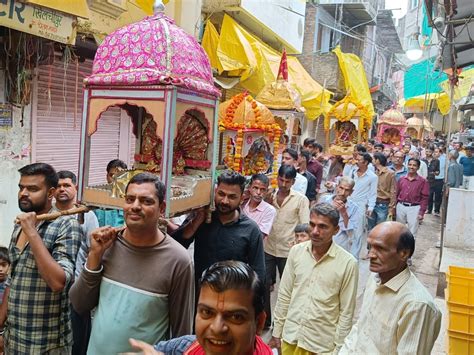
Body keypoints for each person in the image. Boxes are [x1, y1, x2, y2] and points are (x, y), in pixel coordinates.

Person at [69, 173, 194, 354]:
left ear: (162, 208)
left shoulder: (178, 261)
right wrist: (94, 256)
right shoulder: (106, 245)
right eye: (130, 199)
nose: (135, 206)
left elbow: (182, 333)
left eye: (146, 201)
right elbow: (79, 303)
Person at [0, 163, 82, 353]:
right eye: (21, 187)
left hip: (46, 344)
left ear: (51, 193)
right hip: (15, 338)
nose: (23, 193)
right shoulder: (21, 224)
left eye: (33, 189)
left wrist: (32, 232)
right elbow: (14, 279)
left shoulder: (66, 225)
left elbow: (58, 282)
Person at [128, 261, 273, 355]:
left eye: (236, 317)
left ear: (259, 322)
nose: (217, 328)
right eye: (207, 312)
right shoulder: (183, 348)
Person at [269, 203, 358, 354]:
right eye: (312, 225)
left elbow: (346, 312)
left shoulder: (348, 263)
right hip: (291, 337)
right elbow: (285, 294)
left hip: (321, 345)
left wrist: (338, 348)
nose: (315, 231)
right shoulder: (296, 252)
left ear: (336, 230)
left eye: (323, 227)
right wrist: (277, 331)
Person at [340, 222, 442, 354]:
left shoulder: (417, 305)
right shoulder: (375, 279)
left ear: (404, 253)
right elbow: (360, 329)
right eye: (370, 247)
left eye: (380, 249)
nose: (371, 255)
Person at [173, 170, 265, 288]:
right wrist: (197, 220)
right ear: (215, 192)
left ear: (242, 198)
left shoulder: (251, 230)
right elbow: (177, 245)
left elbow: (259, 272)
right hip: (201, 294)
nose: (225, 201)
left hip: (233, 297)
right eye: (221, 194)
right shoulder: (202, 219)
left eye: (232, 197)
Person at [55, 170, 99, 355]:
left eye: (66, 185)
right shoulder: (48, 214)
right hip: (54, 284)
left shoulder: (86, 215)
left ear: (75, 187)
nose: (62, 189)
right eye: (58, 186)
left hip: (76, 286)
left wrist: (85, 284)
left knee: (77, 336)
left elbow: (93, 250)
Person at [264, 165, 309, 328]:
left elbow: (305, 225)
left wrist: (299, 244)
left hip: (288, 250)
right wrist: (266, 203)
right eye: (281, 180)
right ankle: (266, 321)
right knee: (264, 285)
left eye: (287, 181)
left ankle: (283, 323)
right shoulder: (269, 196)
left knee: (287, 288)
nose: (283, 184)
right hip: (268, 247)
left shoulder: (300, 200)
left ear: (293, 182)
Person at [347, 152, 378, 260]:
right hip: (348, 203)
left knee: (358, 233)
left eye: (359, 160)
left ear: (365, 162)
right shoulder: (352, 172)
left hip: (360, 206)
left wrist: (370, 208)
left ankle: (354, 259)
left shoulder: (372, 177)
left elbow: (373, 194)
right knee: (345, 230)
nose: (356, 161)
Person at [319, 177, 359, 258]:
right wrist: (330, 208)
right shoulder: (324, 200)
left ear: (351, 192)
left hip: (340, 245)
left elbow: (351, 233)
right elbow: (316, 219)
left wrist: (344, 213)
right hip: (321, 241)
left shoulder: (354, 208)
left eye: (347, 190)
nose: (343, 192)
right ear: (337, 186)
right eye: (341, 188)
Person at [396, 158, 429, 237]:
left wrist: (421, 212)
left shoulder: (423, 181)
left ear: (418, 167)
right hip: (401, 206)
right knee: (399, 231)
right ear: (407, 165)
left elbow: (425, 198)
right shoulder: (401, 179)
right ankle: (400, 248)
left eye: (414, 165)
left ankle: (409, 249)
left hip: (414, 207)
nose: (412, 167)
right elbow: (396, 193)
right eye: (410, 165)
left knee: (412, 232)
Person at [94, 159, 127, 227]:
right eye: (111, 175)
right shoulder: (97, 199)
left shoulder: (129, 200)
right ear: (107, 176)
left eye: (119, 176)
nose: (115, 179)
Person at [242, 174, 277, 239]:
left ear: (266, 191)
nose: (258, 192)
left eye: (263, 189)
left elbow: (259, 237)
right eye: (255, 188)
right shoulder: (242, 205)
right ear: (249, 188)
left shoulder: (269, 210)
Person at [368, 153, 396, 230]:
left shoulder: (390, 173)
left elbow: (393, 190)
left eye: (373, 159)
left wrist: (391, 207)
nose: (372, 161)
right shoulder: (374, 172)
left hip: (383, 204)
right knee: (370, 227)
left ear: (378, 161)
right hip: (372, 203)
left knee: (380, 228)